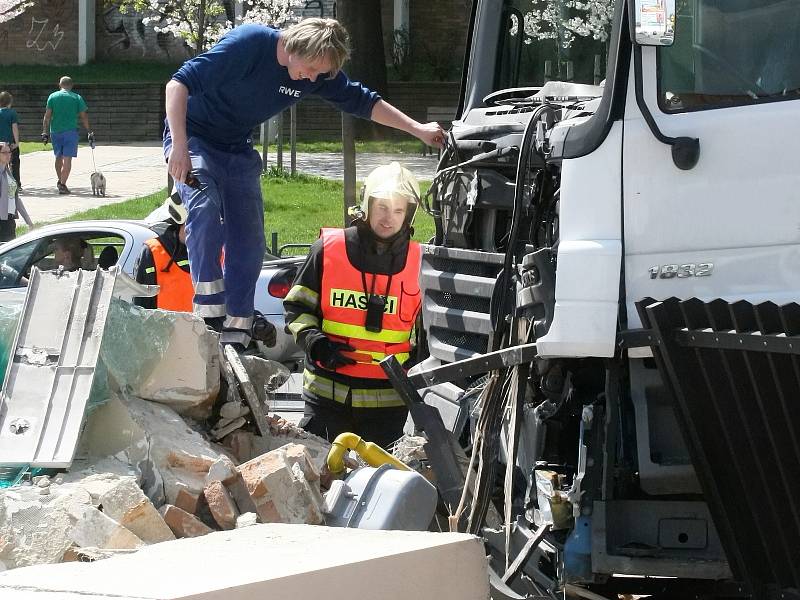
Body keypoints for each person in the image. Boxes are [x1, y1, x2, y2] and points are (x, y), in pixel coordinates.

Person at [165, 17, 443, 350]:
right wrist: (179, 147)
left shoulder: (316, 73)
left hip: (236, 148)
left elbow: (364, 102)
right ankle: (210, 312)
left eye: (319, 74)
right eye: (309, 69)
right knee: (205, 209)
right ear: (295, 47)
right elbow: (177, 85)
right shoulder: (251, 44)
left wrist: (419, 130)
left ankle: (238, 326)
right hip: (194, 138)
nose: (311, 79)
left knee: (249, 237)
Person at [283, 162, 423, 449]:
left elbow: (428, 331)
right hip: (327, 398)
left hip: (388, 405)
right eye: (382, 207)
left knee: (382, 490)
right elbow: (297, 307)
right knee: (320, 481)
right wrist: (315, 342)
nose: (389, 219)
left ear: (409, 214)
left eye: (398, 210)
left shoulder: (422, 263)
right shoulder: (327, 249)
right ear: (367, 205)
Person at [42, 76, 94, 195]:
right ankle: (62, 183)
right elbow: (84, 116)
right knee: (67, 159)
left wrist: (44, 131)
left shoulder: (52, 96)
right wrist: (89, 130)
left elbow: (47, 116)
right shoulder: (76, 97)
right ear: (71, 85)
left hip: (55, 131)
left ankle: (60, 180)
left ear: (59, 85)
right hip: (70, 131)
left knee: (58, 157)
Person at [0, 141, 32, 242]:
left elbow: (15, 198)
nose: (8, 155)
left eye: (9, 152)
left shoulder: (8, 172)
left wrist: (28, 220)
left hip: (9, 219)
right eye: (4, 152)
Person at [0, 92, 21, 190]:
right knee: (14, 164)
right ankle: (16, 184)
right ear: (10, 102)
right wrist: (17, 143)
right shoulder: (12, 113)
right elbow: (14, 128)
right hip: (10, 143)